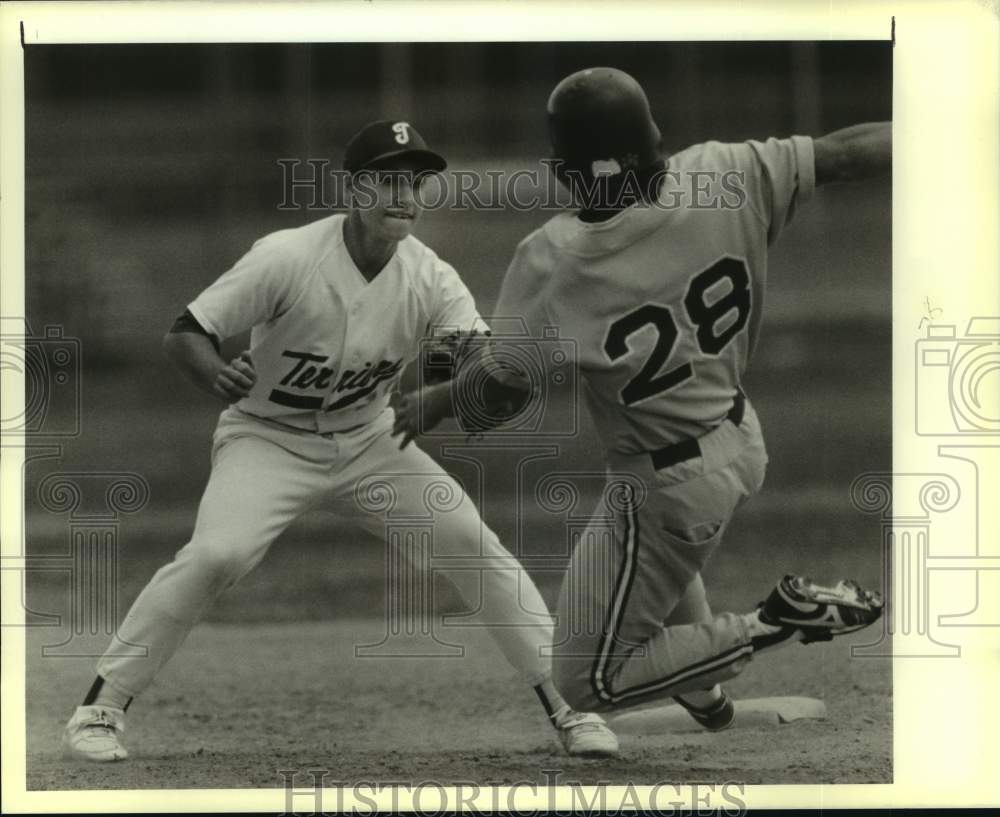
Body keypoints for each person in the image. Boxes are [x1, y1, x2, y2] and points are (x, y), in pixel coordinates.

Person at [62, 119, 619, 762]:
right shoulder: (289, 257)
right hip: (266, 438)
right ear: (353, 189)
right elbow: (186, 333)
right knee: (217, 554)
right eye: (386, 179)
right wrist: (218, 373)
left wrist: (478, 381)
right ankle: (99, 709)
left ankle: (573, 709)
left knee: (469, 541)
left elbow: (473, 362)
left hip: (372, 438)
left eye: (415, 182)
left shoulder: (431, 277)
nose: (403, 195)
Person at [393, 68, 888, 726]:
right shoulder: (725, 170)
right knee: (653, 562)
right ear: (651, 137)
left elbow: (498, 392)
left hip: (667, 484)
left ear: (569, 170)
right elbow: (849, 151)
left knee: (587, 678)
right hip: (734, 438)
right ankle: (707, 701)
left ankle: (774, 620)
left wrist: (439, 398)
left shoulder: (555, 260)